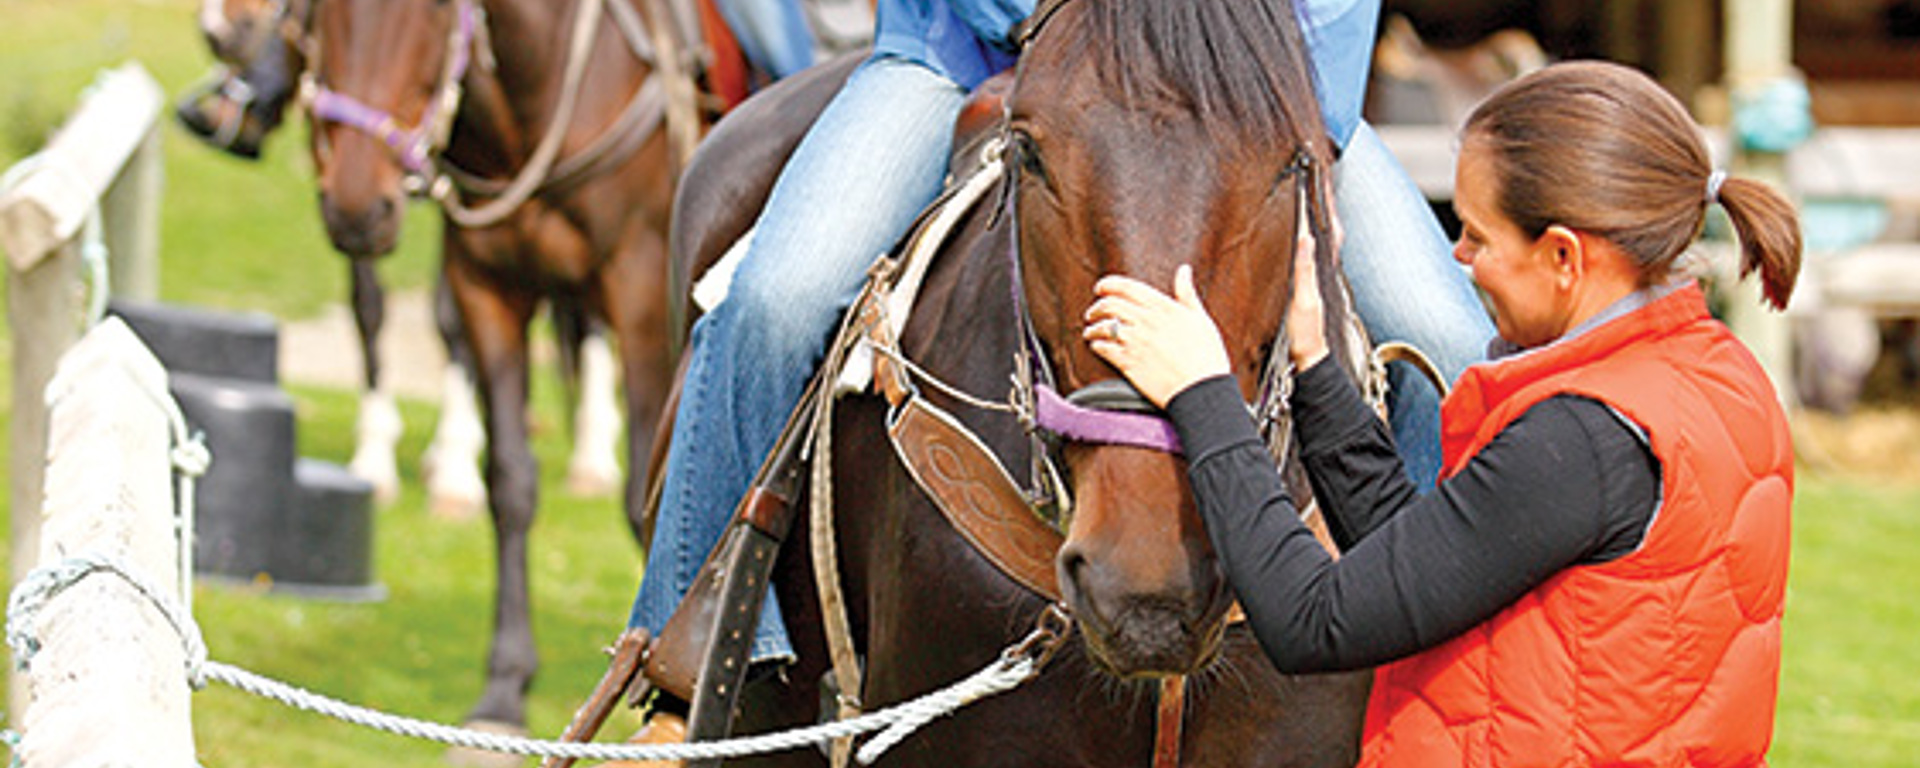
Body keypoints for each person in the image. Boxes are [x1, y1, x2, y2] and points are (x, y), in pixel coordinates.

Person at [621, 0, 1492, 750]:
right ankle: (691, 648)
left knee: (1445, 336)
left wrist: (1282, 83)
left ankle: (1428, 660)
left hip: (1252, 81)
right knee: (780, 294)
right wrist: (1070, 24)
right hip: (971, 57)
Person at [1083, 60, 1799, 766]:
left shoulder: (1580, 437)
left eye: (1479, 237)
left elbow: (1314, 619)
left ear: (1563, 257)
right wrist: (1318, 371)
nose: (1461, 255)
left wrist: (1202, 393)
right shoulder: (1713, 375)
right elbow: (1427, 571)